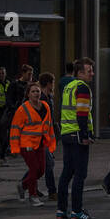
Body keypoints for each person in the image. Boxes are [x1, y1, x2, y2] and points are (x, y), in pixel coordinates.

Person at [57, 57, 96, 219]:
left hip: (66, 134)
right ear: (80, 73)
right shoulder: (82, 87)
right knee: (80, 174)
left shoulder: (69, 86)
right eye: (89, 71)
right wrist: (85, 135)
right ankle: (77, 211)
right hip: (77, 135)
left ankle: (61, 210)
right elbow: (82, 113)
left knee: (67, 173)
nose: (92, 74)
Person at [9, 82, 55, 207]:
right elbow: (15, 129)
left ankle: (23, 185)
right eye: (33, 91)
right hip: (27, 144)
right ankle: (33, 195)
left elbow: (49, 126)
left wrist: (51, 144)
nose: (36, 93)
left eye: (38, 91)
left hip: (40, 143)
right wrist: (14, 147)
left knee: (41, 171)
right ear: (28, 94)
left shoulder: (45, 106)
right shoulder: (22, 109)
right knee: (34, 169)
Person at [0, 65, 33, 165]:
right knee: (9, 135)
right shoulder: (14, 84)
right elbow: (8, 99)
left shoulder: (30, 85)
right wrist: (14, 108)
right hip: (14, 113)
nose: (30, 76)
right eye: (29, 74)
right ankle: (3, 155)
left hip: (26, 113)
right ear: (23, 73)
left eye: (31, 74)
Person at [37, 72, 59, 201]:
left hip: (46, 135)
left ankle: (27, 184)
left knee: (41, 164)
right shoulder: (42, 99)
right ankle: (52, 191)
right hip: (40, 136)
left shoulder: (48, 97)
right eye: (53, 82)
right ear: (49, 83)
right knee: (48, 164)